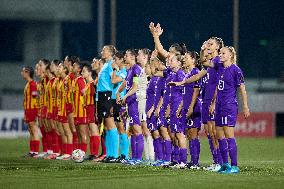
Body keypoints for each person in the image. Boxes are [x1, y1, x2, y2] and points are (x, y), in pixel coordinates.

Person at [210, 46, 250, 174]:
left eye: (223, 53)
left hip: (229, 106)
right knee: (219, 135)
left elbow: (242, 89)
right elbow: (218, 87)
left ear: (230, 56)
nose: (220, 55)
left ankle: (234, 166)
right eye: (220, 53)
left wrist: (245, 106)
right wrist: (213, 103)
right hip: (219, 106)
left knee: (229, 135)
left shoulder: (236, 70)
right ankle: (225, 164)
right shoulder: (220, 68)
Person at [116, 49, 143, 165]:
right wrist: (118, 92)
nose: (124, 57)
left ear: (132, 57)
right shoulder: (130, 70)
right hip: (130, 102)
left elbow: (135, 86)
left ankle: (138, 158)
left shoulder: (136, 69)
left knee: (137, 130)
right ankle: (134, 157)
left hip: (135, 102)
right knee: (132, 129)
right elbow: (125, 83)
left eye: (126, 55)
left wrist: (125, 96)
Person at [97, 45, 119, 162]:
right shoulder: (105, 64)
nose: (102, 52)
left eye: (104, 50)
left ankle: (114, 155)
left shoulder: (111, 64)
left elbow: (114, 80)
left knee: (111, 124)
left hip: (107, 95)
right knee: (106, 125)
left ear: (110, 53)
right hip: (102, 95)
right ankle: (109, 154)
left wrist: (111, 97)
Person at [136, 48, 155, 163]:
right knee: (144, 130)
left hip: (145, 101)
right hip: (140, 101)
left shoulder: (148, 69)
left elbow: (151, 87)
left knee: (146, 129)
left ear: (145, 57)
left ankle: (151, 158)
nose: (137, 56)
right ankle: (148, 157)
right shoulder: (141, 70)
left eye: (138, 54)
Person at [111, 51, 129, 161]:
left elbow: (113, 81)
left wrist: (114, 69)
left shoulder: (123, 72)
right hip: (115, 100)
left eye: (116, 59)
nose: (114, 62)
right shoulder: (120, 71)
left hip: (120, 101)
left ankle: (125, 155)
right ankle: (121, 155)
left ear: (121, 59)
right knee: (119, 128)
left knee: (122, 128)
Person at [81, 64, 101, 160]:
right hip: (88, 109)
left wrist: (96, 111)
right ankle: (93, 153)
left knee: (94, 131)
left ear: (89, 72)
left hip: (93, 108)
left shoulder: (93, 84)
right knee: (90, 132)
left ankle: (95, 153)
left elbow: (96, 98)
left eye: (84, 71)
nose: (82, 73)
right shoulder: (88, 84)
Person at [21, 66, 40, 157]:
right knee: (31, 130)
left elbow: (35, 97)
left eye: (23, 71)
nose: (21, 73)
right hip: (28, 110)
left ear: (27, 72)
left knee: (34, 129)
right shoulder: (29, 84)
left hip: (32, 109)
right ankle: (32, 151)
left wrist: (36, 111)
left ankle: (35, 152)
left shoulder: (32, 84)